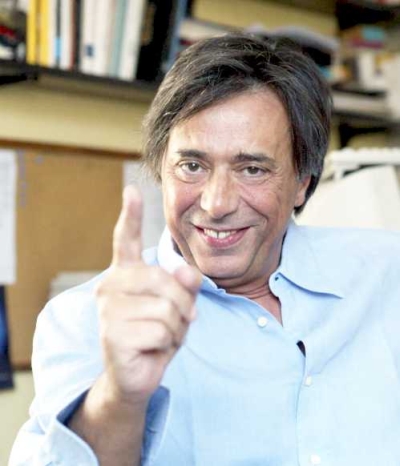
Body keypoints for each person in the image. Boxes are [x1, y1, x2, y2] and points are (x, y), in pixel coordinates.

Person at [10, 34, 400, 466]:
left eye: (252, 169)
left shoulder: (387, 274)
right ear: (161, 171)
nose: (216, 204)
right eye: (192, 166)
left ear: (302, 183)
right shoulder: (85, 320)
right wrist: (120, 394)